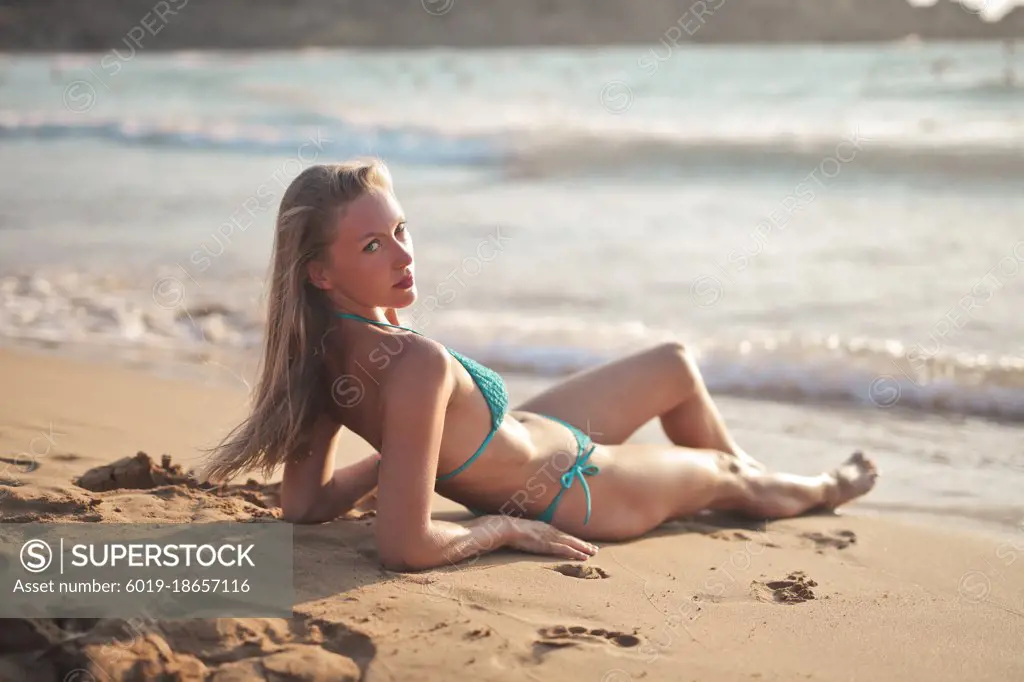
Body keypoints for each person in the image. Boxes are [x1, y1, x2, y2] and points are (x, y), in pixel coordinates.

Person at [201, 158, 878, 572]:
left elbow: (305, 503)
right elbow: (405, 548)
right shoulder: (416, 366)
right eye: (374, 245)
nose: (404, 257)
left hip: (534, 432)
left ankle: (748, 493)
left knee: (672, 363)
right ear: (320, 272)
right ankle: (813, 488)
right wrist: (499, 527)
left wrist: (402, 459)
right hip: (582, 491)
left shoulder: (320, 359)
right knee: (726, 470)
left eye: (402, 231)